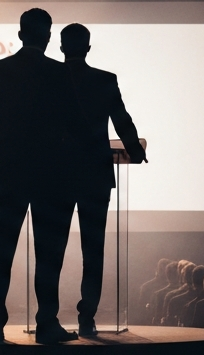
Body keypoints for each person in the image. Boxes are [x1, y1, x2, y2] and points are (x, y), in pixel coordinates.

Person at [0, 8, 84, 343]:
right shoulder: (61, 74)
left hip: (8, 171)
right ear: (49, 37)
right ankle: (46, 323)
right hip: (52, 175)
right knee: (48, 251)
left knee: (2, 247)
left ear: (21, 34)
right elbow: (75, 126)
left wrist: (12, 142)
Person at [57, 22, 146, 336]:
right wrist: (135, 150)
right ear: (88, 48)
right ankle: (86, 318)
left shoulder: (50, 78)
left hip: (57, 174)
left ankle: (48, 318)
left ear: (61, 46)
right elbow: (121, 119)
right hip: (95, 173)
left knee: (51, 248)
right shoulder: (105, 80)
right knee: (93, 250)